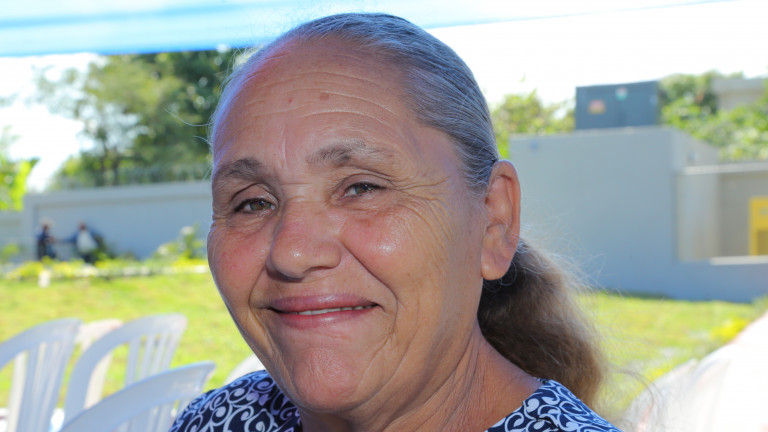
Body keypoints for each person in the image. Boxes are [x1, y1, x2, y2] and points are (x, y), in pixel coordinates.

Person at [172, 13, 621, 432]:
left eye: (362, 188)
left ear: (494, 221)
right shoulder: (214, 421)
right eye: (252, 203)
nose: (292, 253)